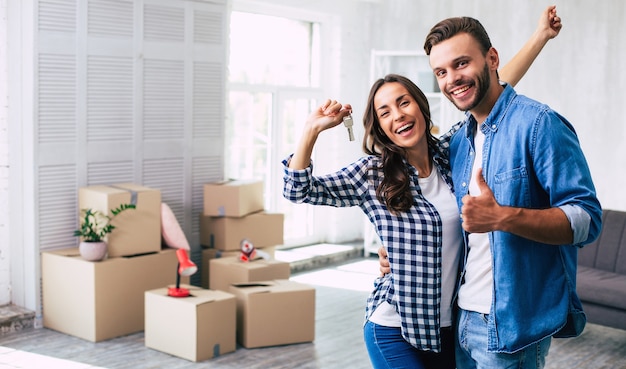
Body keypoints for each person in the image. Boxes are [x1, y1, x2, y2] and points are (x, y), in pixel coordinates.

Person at [283, 7, 562, 369]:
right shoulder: (372, 174)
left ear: (420, 106)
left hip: (447, 328)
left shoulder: (453, 153)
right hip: (393, 328)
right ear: (380, 127)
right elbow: (298, 190)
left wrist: (540, 36)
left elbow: (492, 89)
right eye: (384, 112)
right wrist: (310, 130)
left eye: (403, 102)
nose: (397, 115)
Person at [422, 9, 602, 369]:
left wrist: (503, 217)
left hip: (512, 326)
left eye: (461, 63)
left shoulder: (539, 124)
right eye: (441, 72)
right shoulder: (460, 141)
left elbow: (587, 219)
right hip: (462, 316)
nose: (452, 79)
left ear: (492, 58)